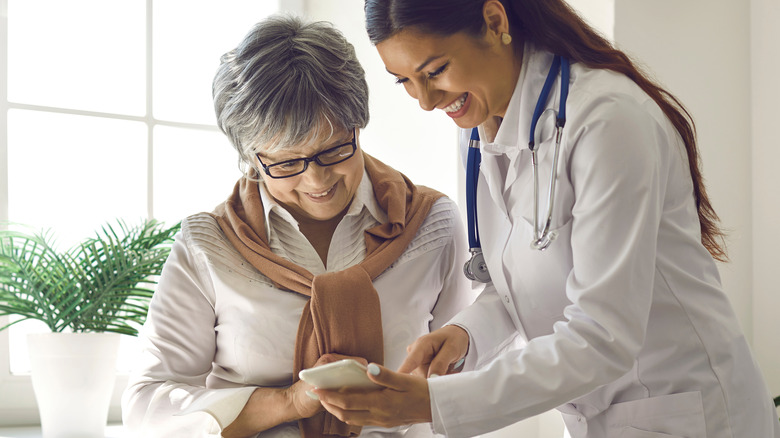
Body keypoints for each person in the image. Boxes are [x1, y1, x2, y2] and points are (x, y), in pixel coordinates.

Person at [312, 1, 780, 437]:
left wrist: (435, 403)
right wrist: (464, 335)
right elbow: (519, 278)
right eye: (404, 81)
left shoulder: (607, 120)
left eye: (435, 71)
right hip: (603, 417)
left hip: (691, 412)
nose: (427, 101)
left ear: (495, 22)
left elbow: (603, 336)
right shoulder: (477, 132)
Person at [121, 13, 476, 438]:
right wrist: (288, 402)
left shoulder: (432, 224)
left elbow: (469, 378)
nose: (317, 181)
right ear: (251, 157)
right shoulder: (209, 243)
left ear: (357, 127)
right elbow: (146, 405)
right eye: (288, 162)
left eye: (333, 151)